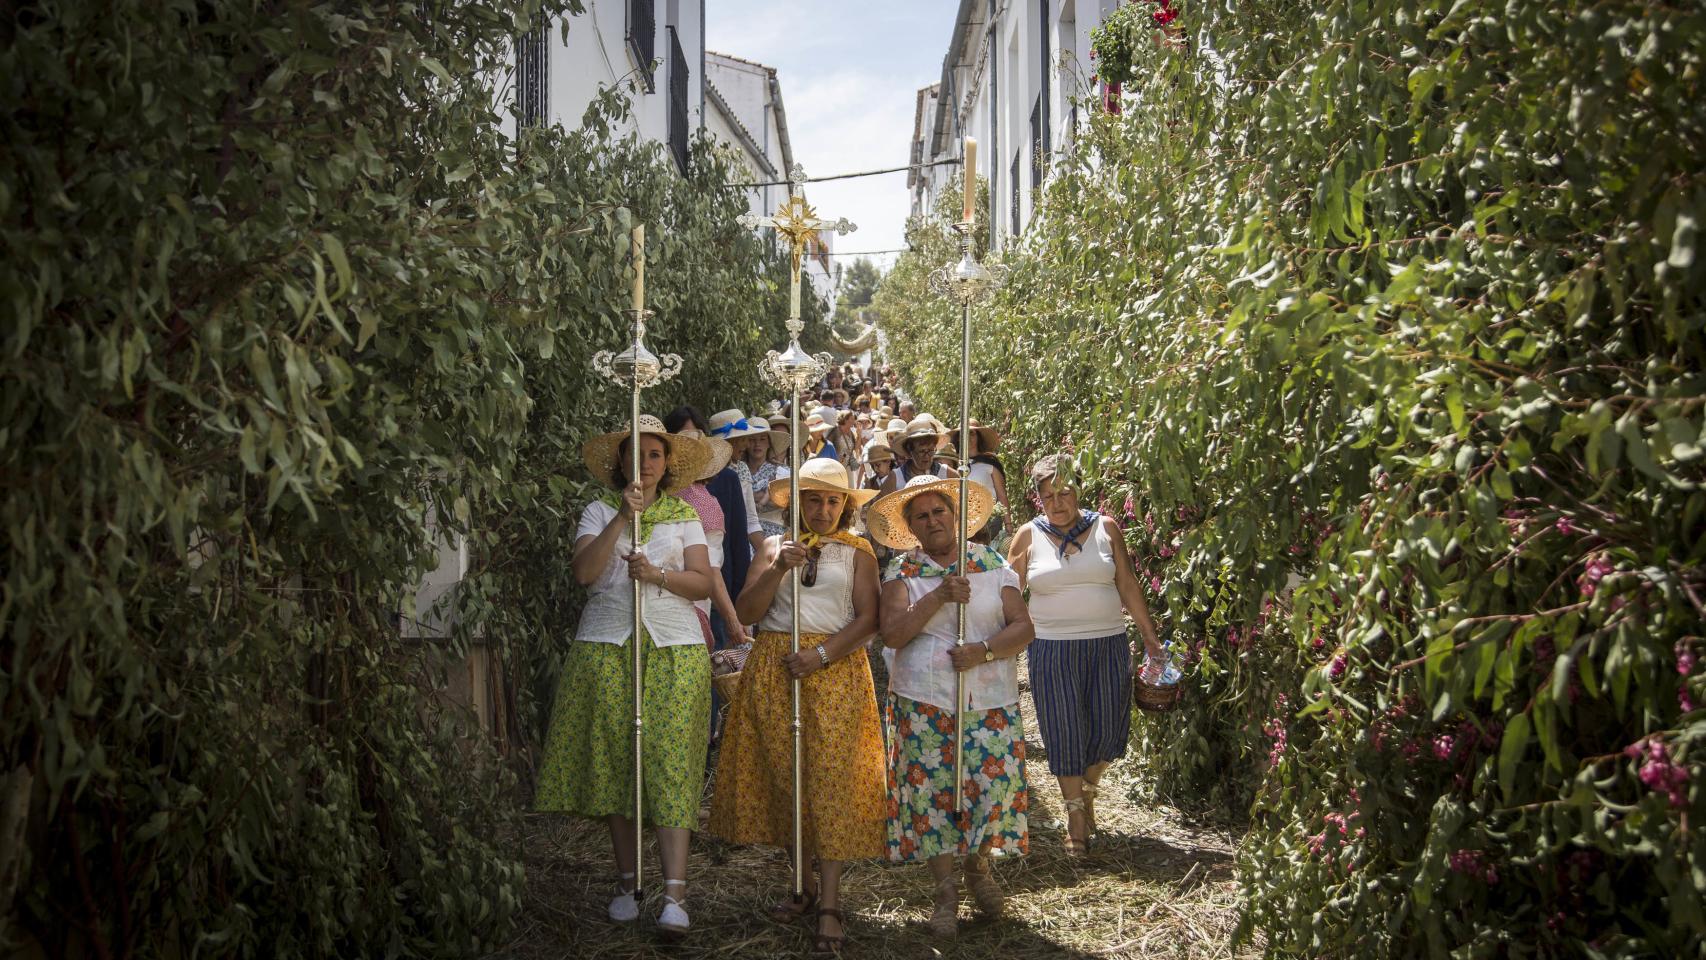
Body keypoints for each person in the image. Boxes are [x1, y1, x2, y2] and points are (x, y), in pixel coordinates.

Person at [535, 415, 714, 935]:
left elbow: (702, 584)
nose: (645, 464)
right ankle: (628, 883)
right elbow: (585, 574)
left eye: (655, 455)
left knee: (670, 762)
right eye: (635, 455)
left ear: (667, 463)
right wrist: (620, 518)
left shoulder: (684, 516)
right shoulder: (596, 510)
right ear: (620, 463)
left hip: (673, 649)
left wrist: (657, 574)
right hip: (607, 648)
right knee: (617, 760)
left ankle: (676, 895)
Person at [708, 460, 886, 956]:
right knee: (787, 779)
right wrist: (779, 567)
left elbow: (870, 619)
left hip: (834, 670)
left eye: (833, 501)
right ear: (798, 503)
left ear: (846, 506)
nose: (824, 509)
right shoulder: (771, 547)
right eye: (814, 499)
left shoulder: (858, 552)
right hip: (774, 666)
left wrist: (821, 655)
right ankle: (801, 884)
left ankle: (830, 901)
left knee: (830, 783)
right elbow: (745, 614)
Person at [869, 475, 1034, 938]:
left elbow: (1023, 628)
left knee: (988, 787)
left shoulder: (992, 564)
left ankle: (979, 868)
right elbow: (893, 634)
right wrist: (939, 595)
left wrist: (982, 651)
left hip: (988, 700)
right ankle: (944, 890)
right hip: (924, 702)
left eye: (939, 511)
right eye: (921, 516)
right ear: (912, 529)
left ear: (955, 515)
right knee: (933, 798)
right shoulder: (902, 574)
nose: (933, 521)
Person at [1005, 454, 1163, 855]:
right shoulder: (1028, 536)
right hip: (1051, 648)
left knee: (1110, 731)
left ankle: (1088, 790)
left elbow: (1126, 583)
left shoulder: (1106, 528)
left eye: (1064, 493)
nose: (1057, 504)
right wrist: (998, 643)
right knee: (1064, 729)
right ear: (1037, 499)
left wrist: (1149, 637)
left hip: (1107, 642)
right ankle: (1076, 813)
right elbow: (1007, 594)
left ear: (1078, 490)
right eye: (1047, 496)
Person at [878, 417, 958, 494]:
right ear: (910, 451)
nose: (927, 456)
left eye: (930, 451)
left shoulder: (948, 474)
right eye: (921, 451)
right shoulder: (895, 478)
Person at [960, 419, 1009, 544]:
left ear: (978, 437)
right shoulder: (954, 463)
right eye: (964, 433)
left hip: (989, 522)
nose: (968, 437)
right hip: (963, 523)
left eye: (972, 433)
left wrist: (1008, 524)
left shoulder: (990, 463)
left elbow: (1002, 495)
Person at [754, 416, 793, 540]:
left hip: (775, 534)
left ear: (769, 443)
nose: (757, 444)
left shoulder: (782, 471)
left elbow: (785, 500)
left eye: (762, 439)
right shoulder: (737, 469)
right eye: (752, 440)